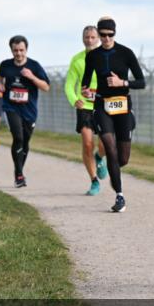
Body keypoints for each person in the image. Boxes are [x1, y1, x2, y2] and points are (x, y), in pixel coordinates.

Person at [80, 17, 144, 212]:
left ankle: (111, 167)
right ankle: (120, 196)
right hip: (102, 106)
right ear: (99, 35)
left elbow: (141, 82)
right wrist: (85, 91)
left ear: (115, 34)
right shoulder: (93, 56)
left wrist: (122, 83)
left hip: (123, 106)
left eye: (110, 35)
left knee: (122, 158)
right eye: (103, 35)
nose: (106, 38)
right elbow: (85, 81)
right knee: (110, 147)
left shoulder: (126, 53)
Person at [0, 35, 50, 187]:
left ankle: (18, 170)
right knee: (18, 137)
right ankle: (19, 175)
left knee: (25, 142)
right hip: (11, 106)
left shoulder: (34, 66)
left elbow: (46, 87)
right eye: (15, 50)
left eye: (21, 50)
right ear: (11, 50)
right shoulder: (5, 65)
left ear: (26, 50)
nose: (18, 54)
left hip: (29, 110)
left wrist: (32, 77)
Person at [64, 26, 109, 196]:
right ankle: (94, 181)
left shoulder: (105, 56)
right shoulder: (77, 60)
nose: (89, 40)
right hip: (85, 108)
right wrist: (74, 99)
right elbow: (69, 84)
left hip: (103, 106)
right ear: (83, 38)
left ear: (98, 38)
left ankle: (100, 157)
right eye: (86, 37)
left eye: (92, 37)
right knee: (87, 143)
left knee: (104, 144)